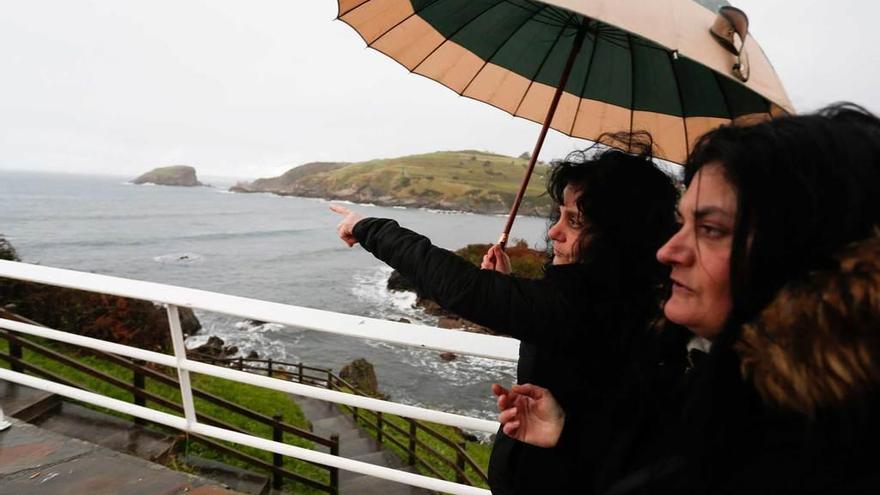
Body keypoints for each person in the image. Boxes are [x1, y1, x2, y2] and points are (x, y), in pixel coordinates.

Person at [496, 103, 880, 493]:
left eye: (711, 229)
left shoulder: (817, 453)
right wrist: (569, 431)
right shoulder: (709, 378)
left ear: (804, 253)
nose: (669, 251)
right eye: (683, 223)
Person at [332, 136, 680, 495]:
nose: (554, 232)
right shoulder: (630, 300)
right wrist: (509, 288)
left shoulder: (581, 305)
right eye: (559, 214)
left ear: (618, 238)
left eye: (574, 222)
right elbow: (557, 327)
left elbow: (460, 288)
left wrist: (368, 228)